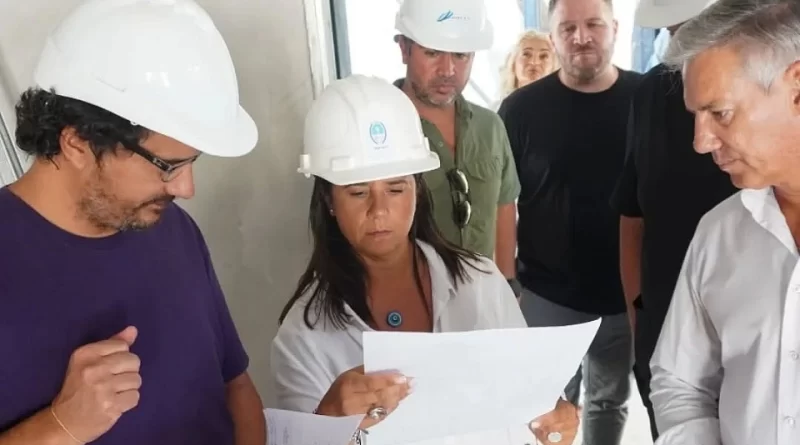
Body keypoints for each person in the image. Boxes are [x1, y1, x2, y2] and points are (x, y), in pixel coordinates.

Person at [0, 1, 265, 444]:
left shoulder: (174, 231)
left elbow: (234, 387)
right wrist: (60, 425)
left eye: (193, 162)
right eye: (168, 166)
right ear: (77, 142)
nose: (186, 188)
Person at [271, 74, 578, 445]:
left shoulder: (479, 282)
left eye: (395, 188)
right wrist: (328, 422)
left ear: (417, 189)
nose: (379, 210)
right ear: (328, 201)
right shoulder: (303, 336)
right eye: (357, 192)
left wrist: (554, 421)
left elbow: (533, 401)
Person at [648, 0, 800, 444]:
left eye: (721, 113)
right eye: (696, 116)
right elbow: (680, 382)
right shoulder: (719, 233)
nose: (701, 142)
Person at [497, 0, 643, 443]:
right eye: (568, 28)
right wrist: (507, 286)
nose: (581, 37)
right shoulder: (519, 110)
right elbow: (501, 202)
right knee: (543, 405)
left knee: (609, 400)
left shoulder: (647, 99)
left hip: (624, 295)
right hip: (546, 295)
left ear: (614, 27)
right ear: (553, 36)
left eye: (593, 24)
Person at [611, 0, 734, 440]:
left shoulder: (772, 104)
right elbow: (632, 214)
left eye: (692, 27)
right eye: (673, 30)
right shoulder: (650, 94)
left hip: (744, 336)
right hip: (663, 329)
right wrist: (638, 313)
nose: (705, 139)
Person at [392, 0, 524, 297]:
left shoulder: (490, 126)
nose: (448, 70)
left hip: (482, 299)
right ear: (404, 49)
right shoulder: (379, 130)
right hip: (413, 306)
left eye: (461, 55)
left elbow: (504, 206)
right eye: (432, 52)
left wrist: (506, 286)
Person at [499, 29, 559, 101]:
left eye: (543, 56)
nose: (534, 62)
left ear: (553, 66)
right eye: (526, 54)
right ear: (513, 63)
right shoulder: (500, 106)